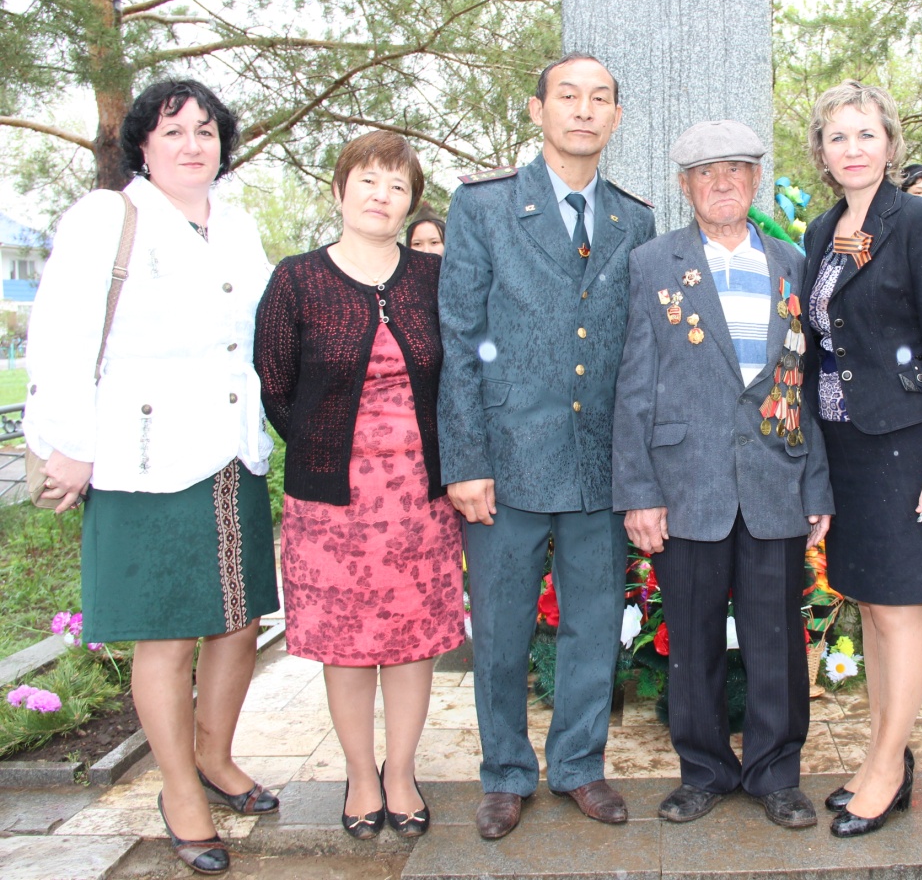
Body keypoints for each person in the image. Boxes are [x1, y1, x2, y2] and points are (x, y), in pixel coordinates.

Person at [23, 79, 279, 876]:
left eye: (206, 130)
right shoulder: (108, 217)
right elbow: (60, 331)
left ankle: (215, 754)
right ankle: (179, 790)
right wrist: (66, 441)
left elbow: (268, 330)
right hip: (146, 457)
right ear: (143, 142)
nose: (193, 144)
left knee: (237, 623)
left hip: (232, 453)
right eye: (174, 131)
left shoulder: (235, 225)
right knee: (166, 634)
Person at [438, 52, 657, 839]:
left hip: (599, 464)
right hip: (506, 460)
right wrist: (464, 460)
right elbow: (460, 339)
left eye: (601, 97)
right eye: (568, 96)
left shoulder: (636, 219)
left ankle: (577, 765)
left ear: (616, 118)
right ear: (538, 110)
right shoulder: (484, 207)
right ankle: (503, 772)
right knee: (498, 627)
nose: (584, 110)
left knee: (594, 623)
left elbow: (639, 354)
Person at [613, 120, 835, 828]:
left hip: (775, 480)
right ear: (684, 186)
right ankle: (703, 770)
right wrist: (640, 492)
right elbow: (633, 387)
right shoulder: (652, 264)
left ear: (754, 181)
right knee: (693, 638)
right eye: (705, 173)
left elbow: (803, 385)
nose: (721, 183)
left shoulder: (792, 263)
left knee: (777, 640)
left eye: (735, 170)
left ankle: (776, 772)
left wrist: (816, 485)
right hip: (686, 487)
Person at [254, 131, 463, 842]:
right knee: (346, 646)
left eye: (397, 185)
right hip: (331, 502)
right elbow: (275, 387)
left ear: (410, 203)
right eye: (368, 180)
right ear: (340, 189)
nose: (381, 195)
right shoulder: (296, 280)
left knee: (411, 644)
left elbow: (461, 377)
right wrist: (325, 449)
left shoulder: (432, 278)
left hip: (420, 497)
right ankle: (360, 774)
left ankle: (400, 772)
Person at [800, 81, 922, 837]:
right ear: (822, 153)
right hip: (843, 445)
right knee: (869, 604)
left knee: (900, 609)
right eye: (838, 138)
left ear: (890, 143)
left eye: (865, 135)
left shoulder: (921, 221)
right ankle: (884, 755)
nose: (852, 149)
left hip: (907, 448)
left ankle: (885, 767)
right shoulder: (822, 230)